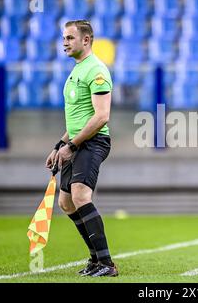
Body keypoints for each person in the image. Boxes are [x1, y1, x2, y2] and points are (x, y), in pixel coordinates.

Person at [45, 20, 118, 277]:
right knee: (66, 202)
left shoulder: (96, 70)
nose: (64, 42)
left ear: (86, 40)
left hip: (94, 142)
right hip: (76, 144)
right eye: (63, 38)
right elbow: (77, 120)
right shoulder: (76, 70)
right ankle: (96, 260)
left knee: (80, 196)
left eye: (69, 38)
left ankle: (107, 263)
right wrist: (60, 145)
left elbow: (101, 117)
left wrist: (72, 145)